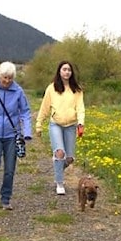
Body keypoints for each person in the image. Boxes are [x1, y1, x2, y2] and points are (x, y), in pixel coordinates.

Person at [0, 61, 33, 210]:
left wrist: (27, 132)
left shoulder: (18, 92)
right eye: (5, 78)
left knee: (9, 170)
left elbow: (25, 112)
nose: (7, 81)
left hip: (11, 135)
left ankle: (6, 198)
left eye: (10, 78)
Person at [35, 60, 85, 195]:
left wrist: (81, 123)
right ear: (59, 71)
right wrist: (39, 124)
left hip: (71, 126)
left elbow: (80, 108)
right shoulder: (51, 88)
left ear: (71, 72)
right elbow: (44, 108)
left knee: (69, 159)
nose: (67, 72)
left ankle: (58, 164)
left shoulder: (77, 90)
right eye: (64, 69)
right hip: (55, 124)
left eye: (69, 70)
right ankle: (59, 183)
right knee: (60, 153)